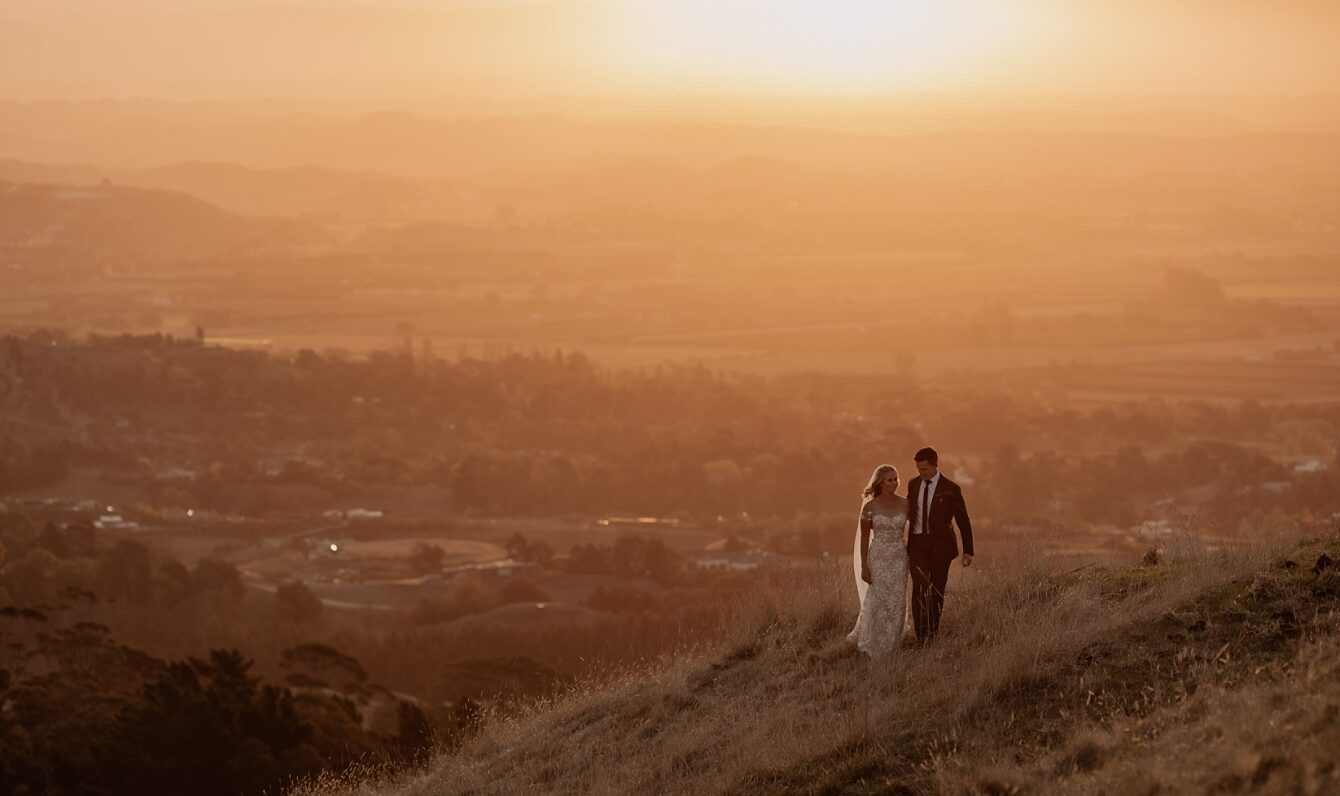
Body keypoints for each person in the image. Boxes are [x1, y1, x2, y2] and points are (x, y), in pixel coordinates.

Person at [905, 446, 974, 644]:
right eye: (918, 469)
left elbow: (963, 520)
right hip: (917, 544)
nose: (921, 473)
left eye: (924, 469)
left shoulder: (951, 488)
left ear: (935, 465)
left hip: (941, 547)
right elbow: (907, 511)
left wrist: (968, 550)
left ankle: (932, 633)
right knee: (920, 586)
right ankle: (920, 637)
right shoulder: (913, 484)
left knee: (936, 590)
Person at [846, 464, 909, 656]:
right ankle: (873, 641)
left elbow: (915, 530)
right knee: (878, 599)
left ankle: (893, 642)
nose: (895, 483)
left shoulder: (905, 504)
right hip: (878, 557)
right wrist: (865, 566)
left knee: (897, 599)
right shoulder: (870, 507)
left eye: (896, 479)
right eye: (890, 479)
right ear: (880, 482)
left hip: (899, 557)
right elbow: (865, 538)